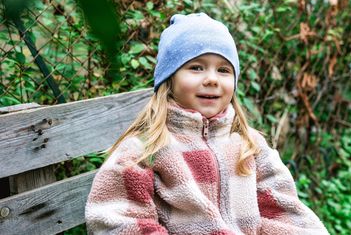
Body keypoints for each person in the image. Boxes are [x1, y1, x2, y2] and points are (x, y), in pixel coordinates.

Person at [85, 12, 329, 235]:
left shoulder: (250, 145)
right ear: (170, 80)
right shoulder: (144, 148)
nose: (212, 79)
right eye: (196, 67)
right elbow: (116, 220)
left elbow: (283, 210)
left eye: (223, 70)